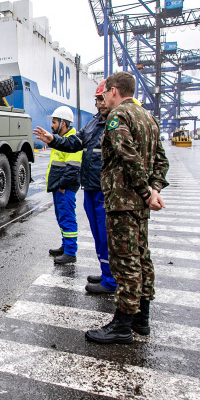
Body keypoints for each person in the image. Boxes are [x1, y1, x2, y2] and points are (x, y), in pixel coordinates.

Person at [85, 71, 169, 344]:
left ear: (113, 91)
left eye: (105, 93)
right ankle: (141, 318)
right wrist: (153, 190)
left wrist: (145, 192)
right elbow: (161, 161)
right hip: (140, 204)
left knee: (125, 262)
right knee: (142, 256)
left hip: (123, 201)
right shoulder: (149, 118)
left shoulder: (118, 117)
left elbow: (127, 155)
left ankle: (122, 325)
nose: (104, 99)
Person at [76, 81, 119, 294]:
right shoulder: (93, 123)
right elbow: (76, 142)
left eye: (103, 98)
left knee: (106, 235)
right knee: (98, 235)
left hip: (106, 191)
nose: (100, 103)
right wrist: (53, 139)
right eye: (97, 99)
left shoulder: (117, 122)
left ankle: (112, 280)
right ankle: (106, 272)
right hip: (91, 188)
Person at [32, 107, 83, 265]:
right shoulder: (62, 141)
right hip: (60, 187)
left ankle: (70, 252)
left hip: (64, 188)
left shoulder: (71, 140)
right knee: (62, 218)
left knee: (67, 218)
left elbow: (73, 167)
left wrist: (62, 185)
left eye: (54, 122)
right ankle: (65, 246)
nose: (52, 126)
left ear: (64, 123)